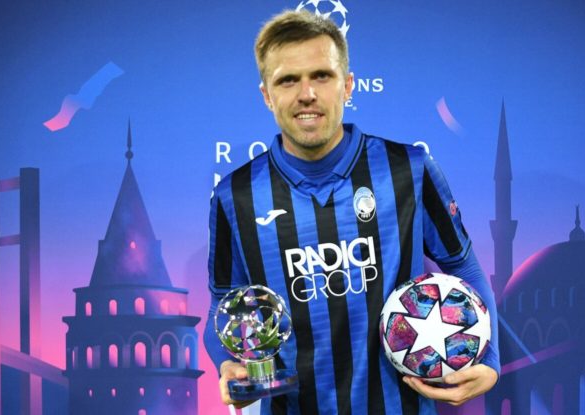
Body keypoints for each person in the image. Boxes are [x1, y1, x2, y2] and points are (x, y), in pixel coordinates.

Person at [204, 9, 499, 414]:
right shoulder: (234, 196)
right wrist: (228, 364)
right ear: (267, 95)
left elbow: (463, 267)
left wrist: (490, 360)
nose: (307, 93)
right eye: (288, 80)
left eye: (321, 76)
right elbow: (223, 304)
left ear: (347, 86)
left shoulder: (409, 169)